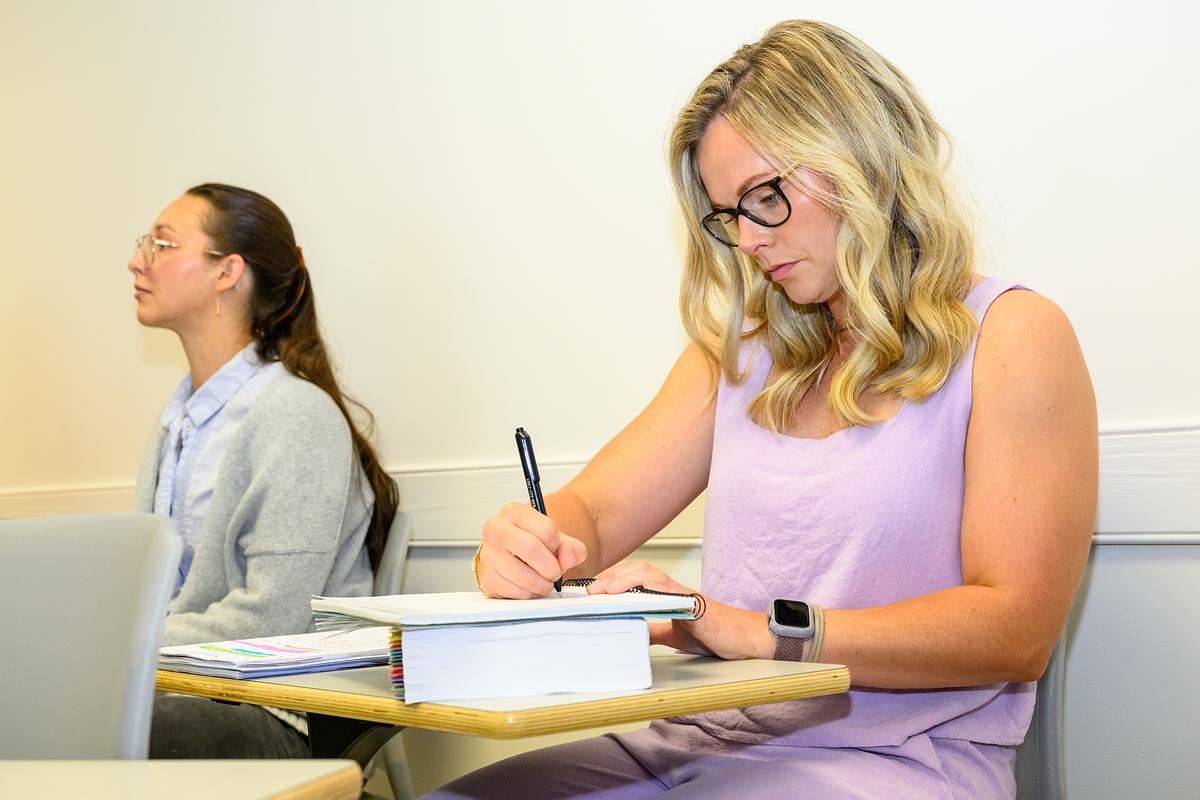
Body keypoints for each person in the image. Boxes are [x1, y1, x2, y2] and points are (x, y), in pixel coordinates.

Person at [432, 20, 1097, 800]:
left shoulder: (1012, 335)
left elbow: (1015, 631)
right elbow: (595, 515)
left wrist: (755, 628)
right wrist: (526, 549)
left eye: (765, 198)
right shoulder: (738, 356)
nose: (746, 240)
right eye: (728, 215)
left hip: (890, 765)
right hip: (686, 745)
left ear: (862, 161)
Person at [128, 183, 398, 757]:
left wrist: (113, 644)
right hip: (189, 687)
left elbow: (271, 616)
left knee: (97, 730)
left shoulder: (296, 415)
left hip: (282, 708)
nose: (137, 259)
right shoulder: (177, 421)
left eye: (162, 244)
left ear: (228, 272)